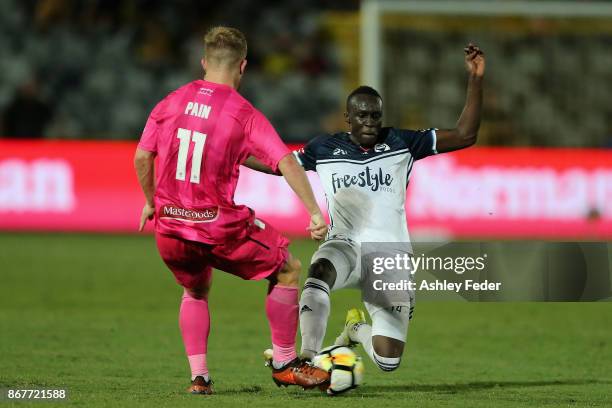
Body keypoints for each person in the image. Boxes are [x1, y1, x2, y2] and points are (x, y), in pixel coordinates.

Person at [246, 43, 484, 372]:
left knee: (388, 360)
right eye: (362, 115)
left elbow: (465, 135)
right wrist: (232, 151)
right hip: (344, 245)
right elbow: (279, 164)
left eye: (375, 115)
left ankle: (356, 330)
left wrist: (475, 79)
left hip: (389, 254)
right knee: (318, 273)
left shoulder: (403, 142)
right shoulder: (324, 147)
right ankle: (308, 358)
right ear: (348, 118)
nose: (370, 122)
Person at [134, 26, 329, 395]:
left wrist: (150, 202)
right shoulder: (242, 112)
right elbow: (286, 161)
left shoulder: (170, 101)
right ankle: (286, 362)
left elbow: (143, 155)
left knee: (195, 290)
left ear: (204, 61)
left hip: (171, 229)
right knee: (288, 268)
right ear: (243, 66)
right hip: (215, 227)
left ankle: (199, 378)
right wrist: (315, 212)